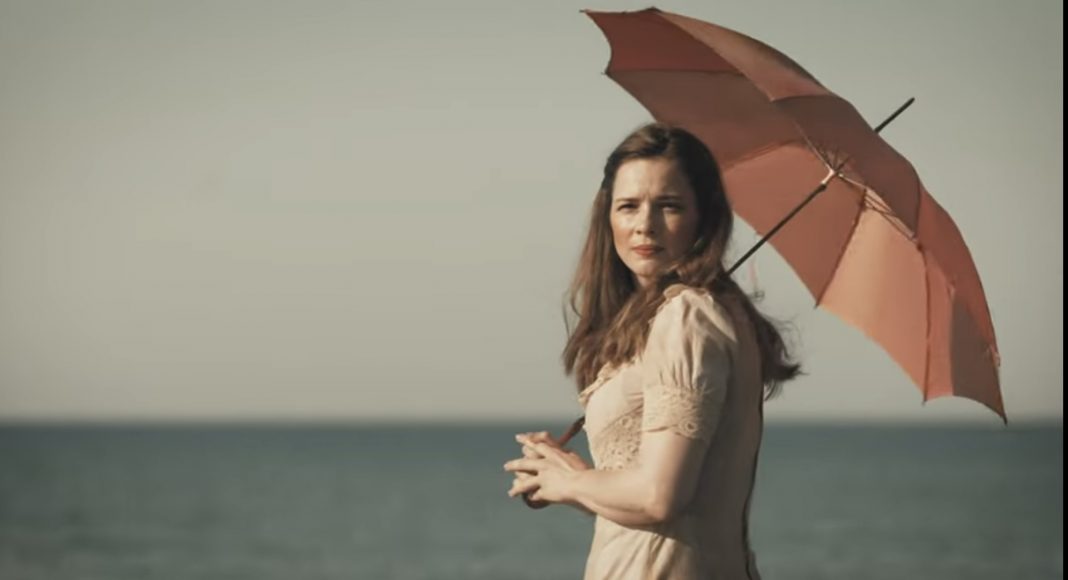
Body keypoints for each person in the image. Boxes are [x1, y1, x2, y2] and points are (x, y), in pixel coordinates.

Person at [503, 123, 800, 579]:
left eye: (669, 206)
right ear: (607, 217)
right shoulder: (695, 313)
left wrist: (571, 482)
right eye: (628, 206)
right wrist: (567, 476)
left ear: (704, 216)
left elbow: (660, 497)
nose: (645, 224)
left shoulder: (688, 317)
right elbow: (676, 509)